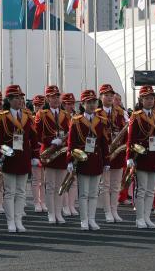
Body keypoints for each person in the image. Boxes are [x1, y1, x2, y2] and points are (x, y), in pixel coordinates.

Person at [0, 85, 37, 233]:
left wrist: (35, 156)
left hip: (23, 157)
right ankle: (10, 221)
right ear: (9, 100)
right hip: (9, 158)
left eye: (21, 98)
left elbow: (33, 137)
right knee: (10, 192)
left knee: (21, 192)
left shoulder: (27, 115)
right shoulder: (2, 116)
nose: (20, 100)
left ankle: (18, 220)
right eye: (16, 98)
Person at [67, 89, 110, 230]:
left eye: (94, 102)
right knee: (84, 193)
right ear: (83, 104)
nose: (92, 105)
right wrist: (69, 160)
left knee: (93, 193)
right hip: (83, 160)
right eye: (88, 102)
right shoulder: (76, 121)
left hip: (96, 160)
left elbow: (104, 143)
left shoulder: (101, 120)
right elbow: (71, 142)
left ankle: (92, 219)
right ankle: (84, 220)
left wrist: (107, 161)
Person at [126, 85, 155, 229]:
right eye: (147, 98)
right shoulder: (136, 116)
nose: (150, 101)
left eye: (152, 98)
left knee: (151, 191)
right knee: (141, 189)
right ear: (141, 100)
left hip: (154, 156)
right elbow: (131, 138)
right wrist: (129, 157)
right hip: (141, 156)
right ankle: (139, 218)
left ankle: (147, 217)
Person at [35, 85, 71, 224]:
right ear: (47, 99)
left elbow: (69, 134)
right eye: (52, 97)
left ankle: (58, 212)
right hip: (49, 153)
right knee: (50, 186)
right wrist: (50, 142)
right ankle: (51, 213)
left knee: (60, 186)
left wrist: (63, 142)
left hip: (61, 152)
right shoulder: (41, 114)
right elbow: (37, 134)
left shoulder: (66, 115)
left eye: (57, 96)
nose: (56, 99)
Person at [97, 84, 126, 223]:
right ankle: (107, 211)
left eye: (111, 95)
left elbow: (124, 130)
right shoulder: (97, 113)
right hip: (104, 152)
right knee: (105, 185)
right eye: (106, 95)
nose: (109, 98)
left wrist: (122, 146)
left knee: (116, 185)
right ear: (101, 97)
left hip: (117, 151)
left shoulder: (119, 112)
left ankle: (114, 210)